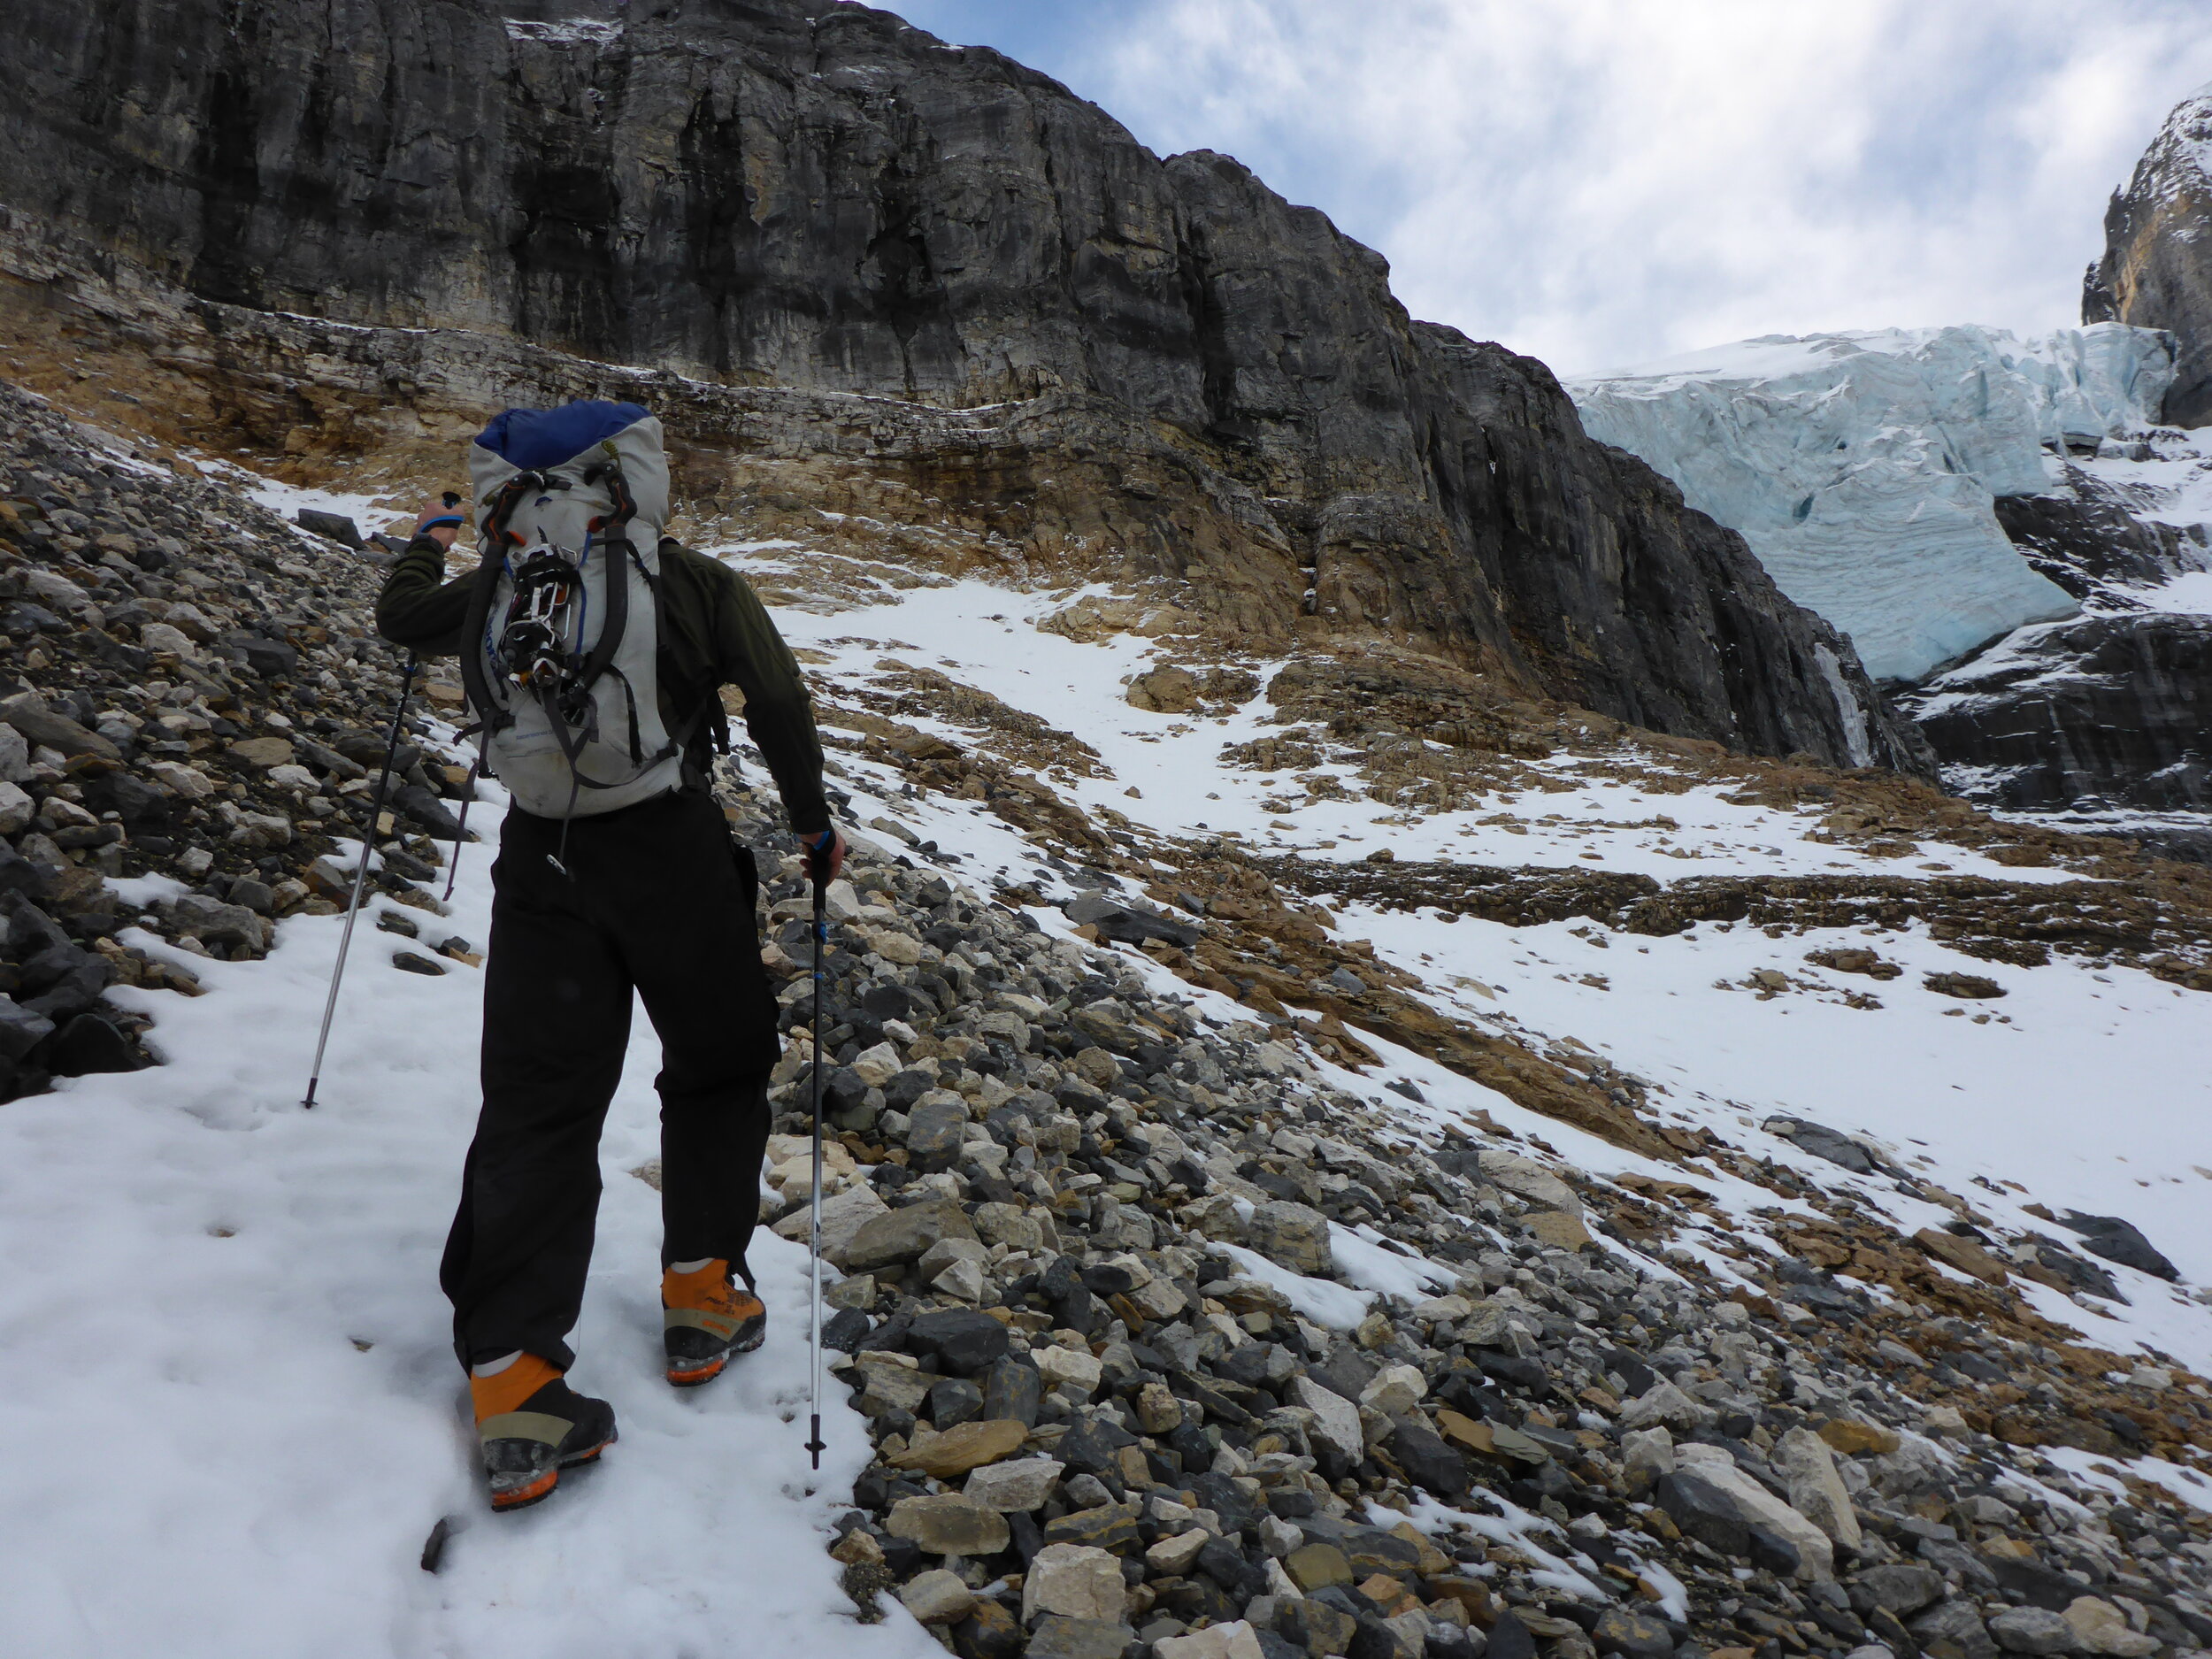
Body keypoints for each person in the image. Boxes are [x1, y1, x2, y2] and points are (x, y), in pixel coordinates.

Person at [376, 402, 844, 1512]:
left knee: (538, 1103)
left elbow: (404, 626)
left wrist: (423, 546)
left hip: (541, 863)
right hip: (670, 854)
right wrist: (813, 824)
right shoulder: (687, 580)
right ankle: (702, 1297)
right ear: (635, 483)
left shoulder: (499, 587)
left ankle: (516, 1383)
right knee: (720, 1063)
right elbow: (775, 700)